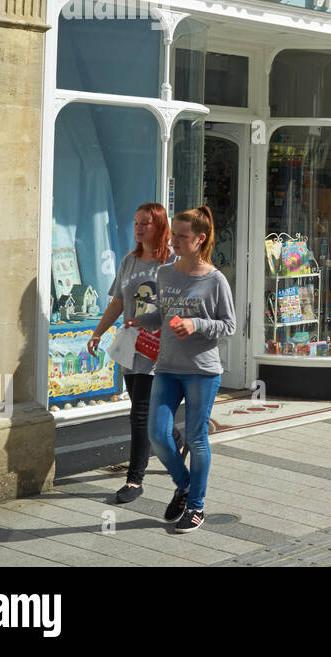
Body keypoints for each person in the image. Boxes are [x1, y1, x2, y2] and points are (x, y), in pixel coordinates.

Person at [129, 206, 235, 534]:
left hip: (201, 371)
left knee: (196, 438)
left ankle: (196, 507)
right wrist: (138, 319)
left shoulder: (215, 280)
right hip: (167, 368)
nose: (173, 240)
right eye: (172, 234)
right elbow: (161, 315)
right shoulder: (165, 273)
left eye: (181, 236)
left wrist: (196, 324)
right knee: (157, 434)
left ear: (200, 239)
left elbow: (229, 326)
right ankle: (186, 486)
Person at [87, 204, 182, 503]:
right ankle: (176, 440)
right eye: (136, 223)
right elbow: (117, 301)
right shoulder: (130, 261)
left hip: (161, 348)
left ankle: (134, 480)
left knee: (139, 413)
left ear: (160, 227)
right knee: (147, 412)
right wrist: (98, 332)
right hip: (132, 346)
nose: (139, 229)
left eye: (146, 224)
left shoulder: (173, 262)